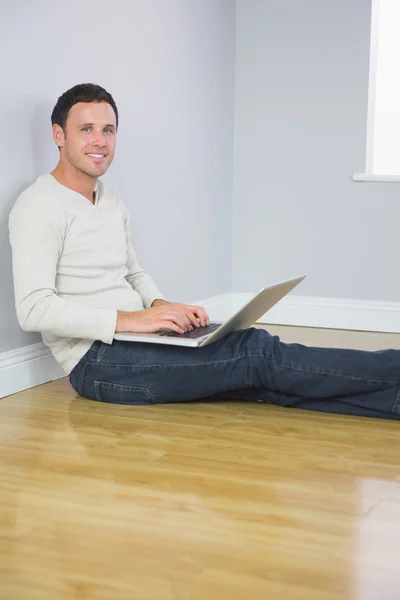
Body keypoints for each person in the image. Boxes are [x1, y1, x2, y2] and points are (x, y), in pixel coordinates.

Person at [8, 83, 400, 420]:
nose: (100, 141)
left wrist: (163, 306)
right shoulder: (39, 206)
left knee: (263, 377)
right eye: (87, 129)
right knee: (256, 354)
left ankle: (392, 398)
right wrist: (136, 320)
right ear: (59, 135)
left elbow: (133, 272)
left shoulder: (109, 199)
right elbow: (33, 309)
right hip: (97, 364)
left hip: (138, 339)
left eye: (108, 129)